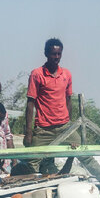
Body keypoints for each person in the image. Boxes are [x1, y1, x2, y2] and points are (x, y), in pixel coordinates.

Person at [24, 38, 72, 173]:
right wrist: (28, 132)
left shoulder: (66, 74)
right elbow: (30, 103)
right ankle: (32, 188)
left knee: (83, 151)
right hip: (43, 129)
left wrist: (71, 127)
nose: (56, 57)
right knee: (33, 161)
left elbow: (68, 100)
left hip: (64, 126)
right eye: (53, 54)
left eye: (59, 54)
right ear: (46, 54)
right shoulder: (37, 74)